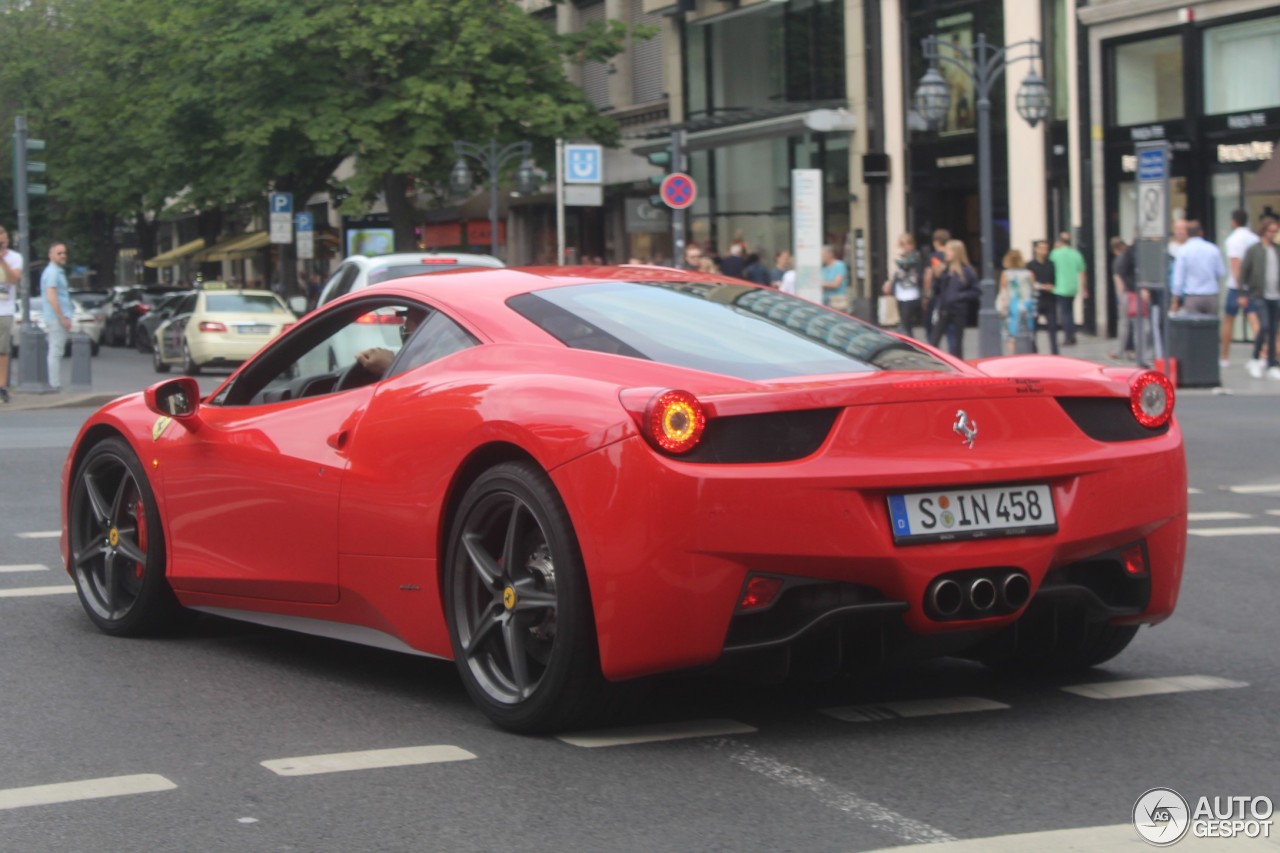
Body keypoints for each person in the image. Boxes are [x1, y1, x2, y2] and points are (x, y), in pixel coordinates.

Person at [1238, 215, 1280, 380]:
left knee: (1274, 329)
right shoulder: (1254, 250)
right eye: (1270, 231)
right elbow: (1243, 273)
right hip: (1259, 294)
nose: (1272, 234)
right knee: (1265, 326)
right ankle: (1255, 358)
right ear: (1264, 231)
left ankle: (1271, 363)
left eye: (1275, 231)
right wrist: (1242, 293)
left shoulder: (1277, 249)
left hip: (1275, 294)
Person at [1222, 209, 1261, 370]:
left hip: (1236, 287)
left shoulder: (1233, 240)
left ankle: (1224, 356)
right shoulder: (1254, 238)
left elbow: (1235, 265)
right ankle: (1262, 353)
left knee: (1228, 320)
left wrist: (1240, 290)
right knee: (1254, 320)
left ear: (1233, 221)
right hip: (1253, 285)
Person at [928, 240, 979, 358]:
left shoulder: (967, 271)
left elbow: (976, 291)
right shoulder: (945, 269)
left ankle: (958, 365)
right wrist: (938, 276)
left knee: (957, 342)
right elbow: (937, 290)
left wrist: (960, 296)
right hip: (943, 309)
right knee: (934, 340)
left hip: (958, 309)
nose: (946, 253)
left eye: (949, 251)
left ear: (956, 253)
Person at [1170, 220, 1224, 316]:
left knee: (1193, 328)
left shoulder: (1183, 251)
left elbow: (1178, 278)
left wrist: (1175, 300)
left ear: (1187, 233)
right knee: (1211, 327)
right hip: (1210, 295)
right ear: (1201, 232)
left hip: (1192, 296)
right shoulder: (1213, 249)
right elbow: (1221, 272)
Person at [41, 243, 73, 393]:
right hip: (56, 318)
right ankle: (54, 384)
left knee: (56, 350)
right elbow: (52, 296)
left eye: (64, 253)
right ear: (51, 255)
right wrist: (62, 317)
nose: (63, 255)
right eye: (59, 253)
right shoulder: (53, 272)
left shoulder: (56, 271)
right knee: (55, 351)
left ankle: (54, 383)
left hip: (55, 317)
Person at [355, 309, 424, 377]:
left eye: (406, 334)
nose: (404, 339)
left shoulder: (428, 359)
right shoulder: (422, 353)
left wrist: (390, 368)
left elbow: (415, 382)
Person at [1049, 231, 1087, 346]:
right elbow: (1082, 272)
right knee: (1069, 311)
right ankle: (1072, 334)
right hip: (1072, 287)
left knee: (1064, 313)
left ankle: (1068, 337)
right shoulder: (1076, 254)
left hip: (1059, 287)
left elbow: (1049, 268)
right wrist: (1084, 288)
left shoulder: (1055, 253)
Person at [883, 233, 923, 339]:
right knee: (906, 323)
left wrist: (897, 256)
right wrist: (890, 283)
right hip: (901, 292)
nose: (905, 247)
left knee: (905, 322)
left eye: (908, 244)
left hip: (911, 293)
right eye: (902, 244)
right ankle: (911, 342)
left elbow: (905, 265)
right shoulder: (901, 258)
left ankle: (910, 343)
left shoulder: (915, 257)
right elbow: (896, 273)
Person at [0, 225, 23, 403]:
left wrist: (2, 260)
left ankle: (2, 386)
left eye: (4, 239)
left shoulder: (15, 258)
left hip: (4, 310)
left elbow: (13, 279)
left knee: (3, 351)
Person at [998, 248, 1036, 355]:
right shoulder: (1029, 273)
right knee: (1027, 330)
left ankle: (1013, 353)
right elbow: (1033, 289)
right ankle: (1026, 351)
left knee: (1011, 333)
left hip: (1011, 306)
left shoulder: (1005, 274)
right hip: (1026, 306)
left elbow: (1003, 290)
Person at [1026, 239, 1058, 355]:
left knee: (1052, 328)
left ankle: (1055, 353)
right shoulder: (1030, 265)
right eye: (1042, 248)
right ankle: (1033, 351)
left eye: (1046, 249)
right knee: (1033, 327)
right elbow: (1030, 283)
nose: (1044, 251)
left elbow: (1054, 280)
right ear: (1036, 249)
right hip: (1036, 300)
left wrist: (1052, 286)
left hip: (1049, 299)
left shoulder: (1051, 264)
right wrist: (1041, 286)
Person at [1109, 236, 1138, 361]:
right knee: (1136, 324)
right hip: (1137, 293)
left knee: (1125, 324)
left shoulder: (1118, 261)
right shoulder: (1133, 256)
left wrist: (1119, 300)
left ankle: (1121, 350)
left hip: (1127, 294)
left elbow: (1118, 283)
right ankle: (1133, 350)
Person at [922, 228, 950, 345]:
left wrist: (926, 295)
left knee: (930, 323)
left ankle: (933, 348)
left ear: (936, 241)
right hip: (949, 293)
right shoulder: (950, 257)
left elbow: (928, 276)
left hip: (936, 293)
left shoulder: (934, 257)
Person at [820, 244, 850, 311]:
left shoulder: (839, 265)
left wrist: (823, 284)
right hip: (825, 300)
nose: (821, 258)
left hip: (837, 301)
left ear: (829, 254)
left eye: (822, 255)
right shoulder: (824, 269)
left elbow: (836, 284)